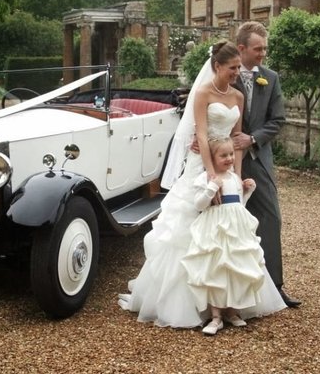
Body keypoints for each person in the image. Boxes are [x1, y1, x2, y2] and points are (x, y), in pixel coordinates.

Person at [118, 40, 245, 328]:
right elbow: (201, 135)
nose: (237, 72)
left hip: (225, 163)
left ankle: (227, 302)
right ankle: (188, 303)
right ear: (217, 66)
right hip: (201, 164)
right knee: (185, 228)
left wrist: (235, 175)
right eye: (232, 67)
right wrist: (212, 174)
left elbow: (237, 140)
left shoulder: (238, 97)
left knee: (228, 230)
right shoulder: (201, 93)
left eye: (239, 67)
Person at [181, 136, 286, 335]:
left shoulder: (234, 178)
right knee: (215, 269)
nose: (229, 158)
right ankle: (216, 316)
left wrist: (247, 192)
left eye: (231, 154)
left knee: (235, 267)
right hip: (215, 229)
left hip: (236, 230)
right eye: (224, 155)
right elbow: (199, 205)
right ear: (211, 158)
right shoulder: (205, 179)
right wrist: (212, 188)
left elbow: (239, 205)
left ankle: (232, 311)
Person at [231, 21, 301, 307]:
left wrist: (253, 139)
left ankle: (275, 287)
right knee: (222, 224)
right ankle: (222, 293)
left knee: (271, 219)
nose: (263, 54)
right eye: (258, 49)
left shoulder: (270, 78)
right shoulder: (224, 73)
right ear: (241, 48)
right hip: (224, 161)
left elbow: (278, 120)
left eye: (265, 49)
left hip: (258, 158)